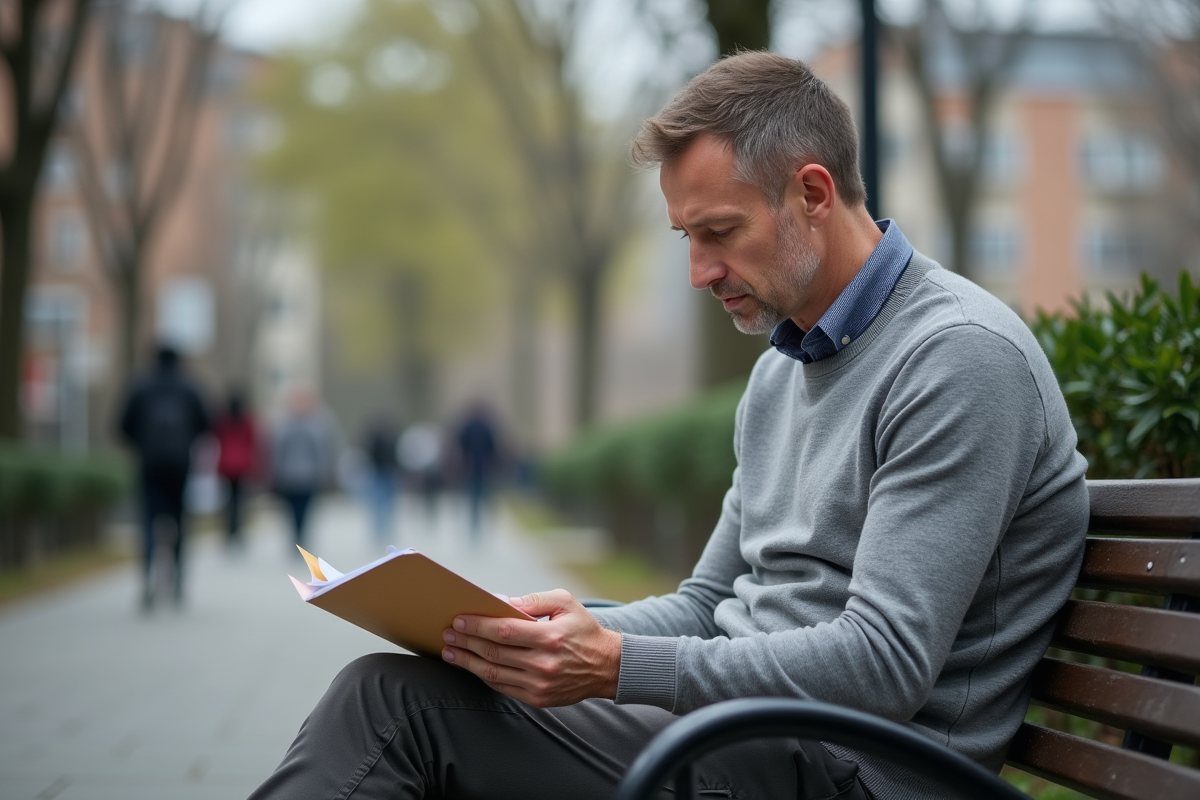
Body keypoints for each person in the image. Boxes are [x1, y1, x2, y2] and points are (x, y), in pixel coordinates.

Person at [249, 52, 1088, 800]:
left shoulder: (957, 359)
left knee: (395, 709)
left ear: (812, 193)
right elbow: (709, 604)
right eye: (686, 237)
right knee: (418, 690)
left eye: (720, 233)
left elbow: (883, 665)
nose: (699, 272)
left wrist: (615, 666)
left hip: (854, 767)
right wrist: (536, 630)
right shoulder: (781, 373)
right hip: (757, 739)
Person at [118, 344, 210, 611]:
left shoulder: (141, 386)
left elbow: (122, 425)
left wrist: (142, 445)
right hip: (180, 465)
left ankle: (147, 579)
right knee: (179, 521)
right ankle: (177, 581)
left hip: (149, 466)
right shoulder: (190, 387)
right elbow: (206, 423)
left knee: (148, 522)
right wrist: (187, 442)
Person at [269, 386, 336, 552]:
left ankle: (301, 538)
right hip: (289, 476)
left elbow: (326, 449)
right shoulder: (283, 422)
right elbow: (277, 449)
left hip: (310, 476)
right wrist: (274, 471)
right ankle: (296, 538)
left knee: (305, 510)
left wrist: (326, 471)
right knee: (291, 511)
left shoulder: (319, 421)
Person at [213, 391, 259, 551]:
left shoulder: (222, 420)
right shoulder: (246, 421)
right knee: (240, 501)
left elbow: (216, 437)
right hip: (242, 465)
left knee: (228, 501)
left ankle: (230, 531)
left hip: (226, 465)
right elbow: (252, 441)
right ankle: (238, 531)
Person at [455, 402, 499, 540]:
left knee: (477, 499)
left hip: (477, 468)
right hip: (476, 469)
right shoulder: (482, 427)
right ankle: (476, 527)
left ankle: (477, 527)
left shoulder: (475, 427)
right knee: (477, 498)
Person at [362, 415, 400, 541]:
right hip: (378, 473)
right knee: (379, 503)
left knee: (387, 503)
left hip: (388, 472)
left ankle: (386, 529)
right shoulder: (376, 439)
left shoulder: (391, 438)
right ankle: (379, 531)